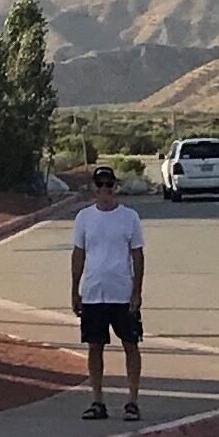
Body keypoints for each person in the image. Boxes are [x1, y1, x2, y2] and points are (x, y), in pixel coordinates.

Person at [68, 163, 148, 422]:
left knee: (130, 345)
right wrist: (75, 290)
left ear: (115, 187)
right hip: (93, 292)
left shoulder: (129, 217)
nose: (105, 189)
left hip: (122, 292)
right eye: (100, 184)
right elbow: (78, 254)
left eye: (109, 185)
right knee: (95, 346)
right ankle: (97, 400)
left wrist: (137, 292)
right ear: (93, 188)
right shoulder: (84, 218)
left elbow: (137, 255)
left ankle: (132, 401)